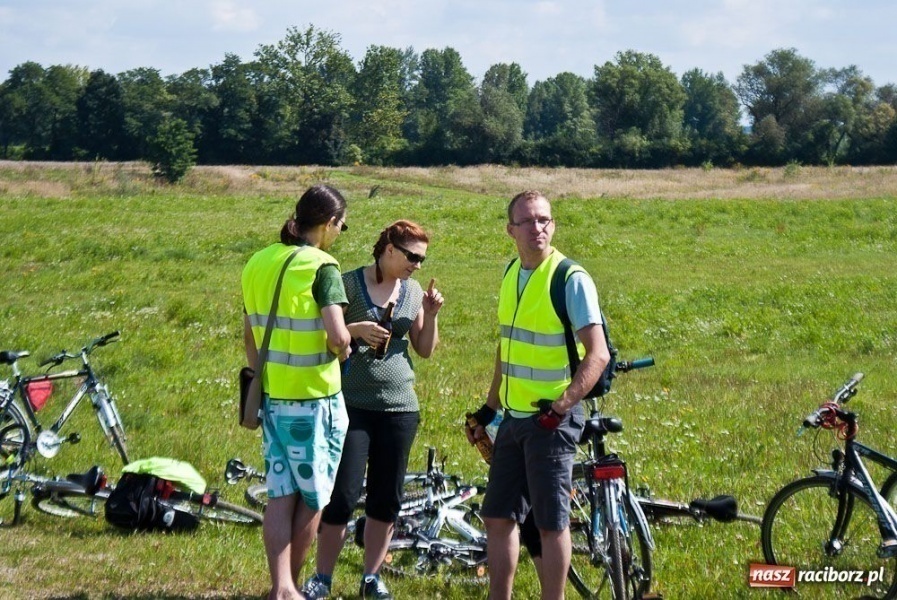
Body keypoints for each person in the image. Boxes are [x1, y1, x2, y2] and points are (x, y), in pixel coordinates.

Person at [466, 190, 610, 600]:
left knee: (551, 523)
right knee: (497, 516)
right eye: (527, 221)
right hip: (514, 417)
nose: (538, 228)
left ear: (554, 225)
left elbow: (597, 353)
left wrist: (563, 405)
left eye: (544, 220)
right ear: (511, 230)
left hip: (552, 421)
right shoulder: (512, 272)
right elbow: (507, 347)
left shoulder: (570, 278)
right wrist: (489, 408)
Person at [302, 220, 444, 600]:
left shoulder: (413, 291)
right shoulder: (349, 283)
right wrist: (356, 329)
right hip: (351, 405)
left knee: (386, 497)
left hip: (400, 407)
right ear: (390, 249)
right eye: (413, 256)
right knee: (343, 496)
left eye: (423, 258)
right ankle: (322, 578)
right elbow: (328, 337)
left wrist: (430, 315)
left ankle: (371, 578)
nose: (418, 265)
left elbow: (425, 349)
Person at [242, 184, 353, 600]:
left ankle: (279, 586)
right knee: (313, 497)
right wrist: (344, 349)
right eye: (340, 225)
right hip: (315, 402)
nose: (340, 233)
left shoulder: (257, 262)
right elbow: (337, 336)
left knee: (280, 495)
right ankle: (290, 589)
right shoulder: (324, 266)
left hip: (271, 398)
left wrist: (261, 377)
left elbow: (250, 335)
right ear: (327, 224)